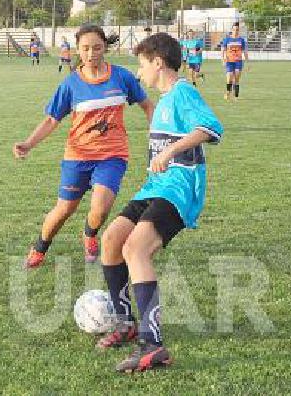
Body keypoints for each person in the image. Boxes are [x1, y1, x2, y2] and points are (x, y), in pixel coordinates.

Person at [92, 32, 224, 373]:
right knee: (111, 240)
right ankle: (125, 324)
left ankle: (153, 345)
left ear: (158, 62)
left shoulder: (182, 93)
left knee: (135, 249)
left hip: (178, 189)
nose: (139, 73)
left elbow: (211, 129)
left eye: (142, 64)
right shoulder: (164, 100)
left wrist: (170, 150)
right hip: (154, 188)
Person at [14, 25, 153, 268]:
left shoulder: (122, 77)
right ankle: (39, 247)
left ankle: (89, 234)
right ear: (77, 49)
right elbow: (51, 120)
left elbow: (147, 105)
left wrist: (158, 136)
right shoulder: (70, 85)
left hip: (113, 154)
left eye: (97, 48)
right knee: (65, 208)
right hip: (77, 156)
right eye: (86, 48)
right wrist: (28, 143)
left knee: (100, 209)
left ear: (105, 48)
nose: (91, 54)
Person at [220, 22, 249, 101]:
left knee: (236, 79)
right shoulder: (227, 39)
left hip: (238, 61)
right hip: (229, 61)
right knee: (229, 78)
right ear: (232, 30)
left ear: (238, 30)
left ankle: (236, 97)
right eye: (234, 29)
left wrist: (247, 62)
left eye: (237, 30)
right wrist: (223, 59)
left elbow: (244, 52)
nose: (235, 31)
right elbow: (223, 50)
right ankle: (228, 92)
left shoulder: (241, 40)